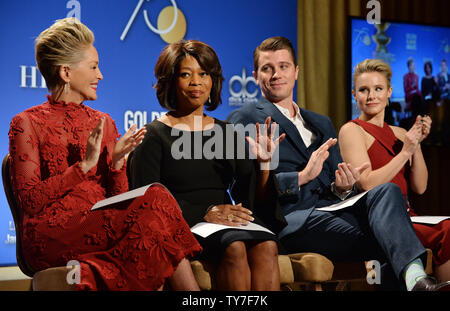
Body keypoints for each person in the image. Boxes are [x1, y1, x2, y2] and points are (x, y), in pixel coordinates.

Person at [227, 36, 450, 291]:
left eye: (284, 66)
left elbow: (339, 184)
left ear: (296, 71)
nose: (276, 74)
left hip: (337, 211)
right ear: (256, 76)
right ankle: (417, 279)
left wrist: (342, 187)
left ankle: (415, 280)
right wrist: (302, 176)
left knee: (387, 191)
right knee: (390, 237)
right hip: (295, 220)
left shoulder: (320, 122)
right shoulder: (242, 119)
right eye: (268, 68)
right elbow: (242, 190)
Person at [8, 18, 202, 291]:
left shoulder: (104, 121)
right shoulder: (25, 123)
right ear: (66, 72)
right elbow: (29, 200)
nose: (100, 75)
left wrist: (117, 163)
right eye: (93, 67)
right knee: (156, 207)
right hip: (49, 234)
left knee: (155, 200)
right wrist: (84, 166)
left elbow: (115, 197)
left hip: (99, 222)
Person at [130, 39, 286, 291]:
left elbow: (253, 200)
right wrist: (204, 212)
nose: (196, 82)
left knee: (267, 245)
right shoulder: (154, 135)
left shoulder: (226, 132)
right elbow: (146, 203)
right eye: (185, 74)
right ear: (170, 81)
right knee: (234, 246)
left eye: (204, 74)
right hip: (182, 222)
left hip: (223, 221)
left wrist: (264, 166)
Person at [339, 58, 450, 283]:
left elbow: (420, 186)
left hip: (409, 215)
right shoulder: (351, 130)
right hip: (378, 219)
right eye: (363, 90)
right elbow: (367, 183)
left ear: (389, 92)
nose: (371, 96)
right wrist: (405, 152)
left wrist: (414, 143)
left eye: (378, 89)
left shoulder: (400, 133)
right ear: (354, 94)